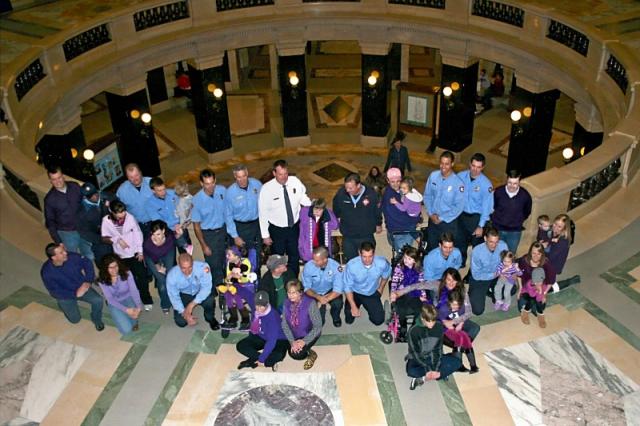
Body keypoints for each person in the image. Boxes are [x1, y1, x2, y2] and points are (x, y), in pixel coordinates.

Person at [394, 267, 481, 355]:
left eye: (454, 280)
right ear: (444, 279)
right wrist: (400, 292)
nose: (451, 283)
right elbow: (417, 285)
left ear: (458, 281)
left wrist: (457, 321)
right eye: (449, 280)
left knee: (475, 328)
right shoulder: (437, 285)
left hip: (456, 316)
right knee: (440, 331)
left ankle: (459, 348)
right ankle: (455, 348)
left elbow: (469, 311)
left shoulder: (462, 291)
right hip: (440, 318)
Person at [259, 159, 312, 275]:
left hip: (293, 228)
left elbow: (302, 197)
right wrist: (265, 235)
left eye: (285, 173)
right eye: (280, 174)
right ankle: (278, 281)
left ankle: (293, 281)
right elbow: (262, 213)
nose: (284, 177)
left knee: (294, 256)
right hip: (277, 230)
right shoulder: (267, 189)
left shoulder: (295, 181)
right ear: (274, 173)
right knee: (277, 259)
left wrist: (313, 207)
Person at [101, 200, 153, 310]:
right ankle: (132, 299)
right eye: (119, 212)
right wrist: (117, 239)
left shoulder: (130, 217)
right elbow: (104, 238)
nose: (122, 214)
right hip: (120, 256)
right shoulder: (106, 221)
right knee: (128, 279)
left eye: (123, 211)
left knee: (142, 277)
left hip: (134, 253)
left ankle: (146, 299)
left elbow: (138, 233)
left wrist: (140, 251)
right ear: (112, 212)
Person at [40, 243, 104, 331]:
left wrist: (88, 281)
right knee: (75, 320)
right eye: (61, 253)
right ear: (54, 257)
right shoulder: (47, 272)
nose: (66, 253)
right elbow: (55, 292)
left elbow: (87, 263)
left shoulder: (72, 257)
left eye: (64, 251)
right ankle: (63, 305)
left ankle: (96, 319)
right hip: (65, 296)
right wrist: (75, 294)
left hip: (81, 286)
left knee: (98, 300)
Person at [405, 304, 462, 390]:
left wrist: (435, 368)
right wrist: (428, 369)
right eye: (429, 321)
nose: (432, 324)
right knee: (411, 371)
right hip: (419, 359)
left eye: (433, 321)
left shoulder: (438, 327)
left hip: (433, 357)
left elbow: (438, 349)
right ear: (422, 318)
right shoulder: (413, 331)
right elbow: (415, 353)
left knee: (458, 363)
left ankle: (424, 378)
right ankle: (435, 374)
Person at [43, 166, 94, 260]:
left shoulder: (75, 186)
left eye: (59, 178)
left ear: (63, 176)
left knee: (89, 255)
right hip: (66, 233)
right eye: (54, 179)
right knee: (71, 258)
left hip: (83, 228)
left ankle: (89, 273)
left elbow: (86, 203)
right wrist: (58, 241)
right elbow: (50, 222)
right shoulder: (49, 199)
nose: (57, 181)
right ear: (50, 181)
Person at [192, 168, 228, 289]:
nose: (211, 186)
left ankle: (228, 283)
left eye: (212, 182)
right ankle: (219, 287)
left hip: (223, 231)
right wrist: (203, 245)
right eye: (207, 184)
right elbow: (196, 226)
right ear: (201, 184)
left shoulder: (222, 191)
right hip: (209, 235)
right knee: (213, 264)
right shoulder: (197, 200)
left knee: (227, 259)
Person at [333, 173, 382, 261]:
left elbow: (377, 211)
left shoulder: (371, 194)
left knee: (367, 260)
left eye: (350, 188)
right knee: (351, 262)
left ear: (358, 185)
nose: (347, 190)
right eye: (346, 187)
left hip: (366, 235)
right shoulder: (341, 194)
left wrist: (379, 223)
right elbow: (336, 208)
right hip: (348, 236)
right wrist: (338, 217)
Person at [237, 291, 289, 371]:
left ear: (267, 304)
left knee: (278, 355)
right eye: (257, 305)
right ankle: (263, 361)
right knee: (241, 346)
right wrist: (231, 284)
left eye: (262, 306)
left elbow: (271, 341)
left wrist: (261, 359)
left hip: (279, 339)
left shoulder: (273, 317)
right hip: (261, 336)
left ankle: (252, 361)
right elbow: (244, 292)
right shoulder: (253, 301)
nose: (259, 308)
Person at [423, 151, 465, 252]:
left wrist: (441, 218)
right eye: (442, 163)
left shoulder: (458, 184)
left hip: (448, 223)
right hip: (432, 220)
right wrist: (430, 213)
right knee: (432, 248)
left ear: (452, 164)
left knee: (446, 251)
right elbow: (427, 196)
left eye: (447, 164)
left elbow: (458, 207)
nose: (443, 166)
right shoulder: (433, 176)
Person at [457, 153, 494, 266]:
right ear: (470, 164)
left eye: (478, 167)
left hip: (476, 218)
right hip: (461, 215)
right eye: (473, 166)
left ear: (482, 167)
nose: (475, 169)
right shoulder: (460, 176)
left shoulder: (486, 184)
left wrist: (480, 226)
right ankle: (460, 264)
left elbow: (487, 208)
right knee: (460, 242)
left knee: (477, 247)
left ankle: (472, 271)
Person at [342, 241, 391, 326]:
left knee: (378, 321)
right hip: (355, 292)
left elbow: (386, 274)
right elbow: (347, 287)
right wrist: (353, 306)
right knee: (348, 319)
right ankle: (352, 305)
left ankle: (370, 307)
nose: (367, 260)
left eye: (370, 256)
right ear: (359, 253)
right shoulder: (351, 265)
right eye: (364, 256)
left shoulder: (382, 263)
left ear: (374, 254)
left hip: (371, 293)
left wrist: (381, 288)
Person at [166, 253, 219, 329]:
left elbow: (206, 288)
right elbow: (173, 296)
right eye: (183, 268)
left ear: (193, 262)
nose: (187, 271)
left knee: (210, 300)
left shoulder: (203, 267)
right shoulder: (172, 275)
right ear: (179, 265)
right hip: (184, 294)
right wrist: (184, 313)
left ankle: (210, 318)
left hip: (200, 291)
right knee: (181, 322)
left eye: (190, 267)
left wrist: (191, 305)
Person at [97, 254, 143, 335]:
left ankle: (133, 321)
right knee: (126, 330)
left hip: (128, 297)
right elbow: (110, 299)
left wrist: (138, 306)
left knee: (134, 317)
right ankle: (116, 314)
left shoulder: (127, 273)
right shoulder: (102, 279)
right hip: (114, 302)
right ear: (105, 268)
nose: (114, 270)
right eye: (110, 267)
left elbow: (134, 291)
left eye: (116, 266)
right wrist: (126, 310)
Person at [281, 280, 323, 370]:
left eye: (294, 293)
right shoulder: (286, 303)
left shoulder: (310, 303)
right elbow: (284, 324)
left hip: (308, 334)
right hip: (294, 334)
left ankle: (311, 354)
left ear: (300, 293)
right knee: (289, 349)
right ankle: (305, 349)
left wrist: (304, 341)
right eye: (289, 292)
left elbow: (318, 326)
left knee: (297, 354)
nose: (291, 295)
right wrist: (292, 341)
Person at [225, 164, 263, 260]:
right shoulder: (230, 192)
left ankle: (256, 274)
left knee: (256, 255)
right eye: (239, 177)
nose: (242, 180)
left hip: (256, 225)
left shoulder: (257, 185)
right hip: (240, 228)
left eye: (244, 176)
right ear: (235, 177)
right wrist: (235, 236)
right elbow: (228, 216)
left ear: (247, 174)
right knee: (241, 258)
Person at [389, 246, 427, 339]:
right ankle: (403, 328)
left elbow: (421, 284)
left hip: (415, 293)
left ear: (414, 261)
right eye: (405, 257)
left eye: (409, 259)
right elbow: (394, 282)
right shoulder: (399, 267)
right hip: (401, 292)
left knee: (419, 309)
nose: (406, 260)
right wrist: (393, 293)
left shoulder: (419, 270)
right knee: (401, 310)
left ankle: (413, 328)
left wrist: (423, 295)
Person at [468, 227, 508, 315]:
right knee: (477, 310)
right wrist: (494, 274)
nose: (494, 245)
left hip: (497, 276)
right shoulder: (477, 251)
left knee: (512, 289)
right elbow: (476, 275)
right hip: (480, 279)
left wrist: (505, 271)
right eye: (491, 242)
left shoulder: (503, 246)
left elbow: (506, 262)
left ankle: (491, 291)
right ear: (485, 238)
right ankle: (484, 291)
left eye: (496, 242)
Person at [491, 170, 532, 255]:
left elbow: (527, 211)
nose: (512, 186)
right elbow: (493, 207)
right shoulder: (498, 192)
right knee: (496, 253)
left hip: (514, 232)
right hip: (498, 229)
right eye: (510, 183)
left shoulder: (525, 196)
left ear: (519, 182)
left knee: (510, 255)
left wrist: (517, 220)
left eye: (515, 183)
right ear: (506, 180)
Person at [302, 246, 345, 327]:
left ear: (325, 259)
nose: (314, 262)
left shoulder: (336, 267)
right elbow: (307, 288)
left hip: (330, 291)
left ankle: (335, 316)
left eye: (317, 260)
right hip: (314, 292)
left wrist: (325, 299)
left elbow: (338, 289)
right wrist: (318, 297)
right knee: (320, 323)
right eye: (313, 259)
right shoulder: (308, 266)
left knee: (338, 303)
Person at [382, 168, 420, 256]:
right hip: (400, 232)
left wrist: (418, 217)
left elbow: (414, 203)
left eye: (398, 181)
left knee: (405, 258)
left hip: (405, 229)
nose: (396, 184)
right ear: (388, 181)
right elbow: (398, 217)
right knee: (404, 259)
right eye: (393, 181)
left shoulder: (403, 190)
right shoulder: (389, 197)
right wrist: (415, 220)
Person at [438, 289, 478, 374]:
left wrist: (461, 323)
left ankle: (473, 366)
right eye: (453, 305)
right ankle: (458, 365)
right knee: (459, 338)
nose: (455, 307)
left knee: (465, 337)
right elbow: (441, 321)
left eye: (457, 305)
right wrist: (448, 324)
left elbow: (464, 316)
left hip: (456, 325)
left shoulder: (462, 306)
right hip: (445, 328)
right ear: (449, 302)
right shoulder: (443, 308)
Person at [146, 177, 189, 252]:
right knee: (171, 257)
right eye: (159, 190)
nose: (163, 192)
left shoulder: (174, 193)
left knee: (186, 252)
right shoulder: (149, 204)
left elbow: (184, 207)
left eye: (164, 189)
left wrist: (181, 222)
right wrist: (173, 225)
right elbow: (158, 221)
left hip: (181, 227)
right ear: (153, 191)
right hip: (166, 232)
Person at [143, 220, 177, 314]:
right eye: (153, 234)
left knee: (170, 276)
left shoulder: (170, 236)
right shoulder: (148, 243)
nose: (155, 237)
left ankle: (175, 301)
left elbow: (176, 240)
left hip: (167, 252)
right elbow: (153, 258)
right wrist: (158, 266)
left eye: (158, 234)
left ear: (163, 231)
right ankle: (165, 304)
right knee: (162, 281)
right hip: (152, 258)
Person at [218, 245, 255, 330]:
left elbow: (245, 279)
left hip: (245, 285)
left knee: (237, 297)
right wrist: (231, 279)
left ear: (236, 255)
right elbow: (228, 278)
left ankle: (246, 319)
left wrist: (233, 276)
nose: (226, 256)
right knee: (228, 295)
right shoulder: (229, 263)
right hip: (233, 285)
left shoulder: (245, 262)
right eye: (226, 254)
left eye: (229, 255)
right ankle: (233, 318)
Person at [77, 182, 113, 265]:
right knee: (104, 260)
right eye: (90, 196)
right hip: (99, 238)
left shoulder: (107, 197)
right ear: (85, 197)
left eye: (95, 193)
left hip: (114, 231)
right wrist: (101, 239)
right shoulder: (82, 212)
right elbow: (84, 232)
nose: (95, 196)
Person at [116, 163, 154, 237]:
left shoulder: (151, 183)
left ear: (140, 173)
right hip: (136, 226)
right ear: (127, 177)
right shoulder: (122, 191)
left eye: (136, 175)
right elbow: (118, 210)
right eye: (131, 177)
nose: (135, 179)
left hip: (154, 221)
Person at [297, 198, 339, 262]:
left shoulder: (326, 216)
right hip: (308, 248)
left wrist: (327, 212)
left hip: (322, 247)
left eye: (320, 210)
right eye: (315, 209)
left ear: (323, 210)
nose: (316, 212)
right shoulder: (305, 213)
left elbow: (335, 225)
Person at [174, 180, 194, 254]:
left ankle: (186, 246)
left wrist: (181, 225)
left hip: (182, 220)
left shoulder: (181, 203)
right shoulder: (190, 196)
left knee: (177, 235)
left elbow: (182, 216)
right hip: (189, 218)